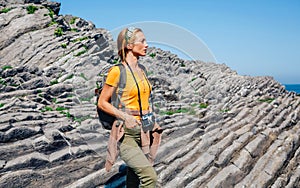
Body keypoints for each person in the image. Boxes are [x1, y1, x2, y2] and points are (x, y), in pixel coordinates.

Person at [98, 27, 162, 188]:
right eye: (142, 41)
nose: (147, 45)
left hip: (144, 131)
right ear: (129, 46)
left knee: (133, 179)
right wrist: (126, 116)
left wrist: (152, 122)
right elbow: (102, 102)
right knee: (150, 178)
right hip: (126, 134)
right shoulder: (117, 71)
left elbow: (145, 100)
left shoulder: (142, 70)